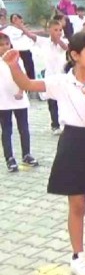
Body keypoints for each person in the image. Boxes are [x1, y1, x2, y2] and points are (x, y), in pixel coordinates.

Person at [2, 32, 85, 275]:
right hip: (72, 141)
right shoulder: (61, 81)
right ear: (75, 55)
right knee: (77, 203)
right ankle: (78, 256)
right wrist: (13, 65)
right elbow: (28, 84)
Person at [22, 19, 69, 135]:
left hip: (62, 77)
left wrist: (58, 40)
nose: (58, 32)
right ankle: (55, 125)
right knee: (52, 102)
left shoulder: (64, 41)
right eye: (55, 30)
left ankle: (65, 124)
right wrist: (21, 27)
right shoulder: (44, 42)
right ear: (49, 30)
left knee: (63, 101)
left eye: (60, 30)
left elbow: (65, 48)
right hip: (50, 77)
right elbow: (31, 36)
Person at [0, 33, 39, 172]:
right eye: (1, 45)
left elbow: (23, 76)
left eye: (7, 44)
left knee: (24, 127)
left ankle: (26, 154)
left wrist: (21, 91)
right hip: (3, 100)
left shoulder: (17, 58)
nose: (5, 47)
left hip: (19, 98)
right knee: (6, 130)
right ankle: (9, 158)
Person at [4, 15, 36, 86]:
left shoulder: (25, 29)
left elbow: (32, 35)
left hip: (26, 51)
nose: (16, 20)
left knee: (30, 70)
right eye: (14, 18)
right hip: (17, 51)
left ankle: (32, 87)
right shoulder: (9, 29)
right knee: (20, 70)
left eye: (17, 18)